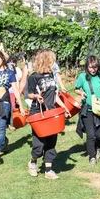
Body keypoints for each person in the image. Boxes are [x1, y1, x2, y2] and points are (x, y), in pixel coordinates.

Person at [27, 49, 71, 179]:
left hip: (51, 112)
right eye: (52, 60)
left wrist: (64, 107)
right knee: (39, 144)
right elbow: (29, 94)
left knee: (51, 141)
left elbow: (55, 95)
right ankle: (33, 161)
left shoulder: (52, 75)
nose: (54, 62)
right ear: (46, 60)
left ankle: (48, 170)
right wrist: (36, 96)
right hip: (38, 112)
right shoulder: (34, 76)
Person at [74, 55, 100, 166]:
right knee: (91, 135)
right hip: (87, 109)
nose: (93, 70)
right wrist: (81, 93)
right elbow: (76, 89)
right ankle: (92, 157)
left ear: (98, 67)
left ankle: (97, 148)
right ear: (87, 66)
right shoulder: (83, 77)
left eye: (95, 67)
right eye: (90, 67)